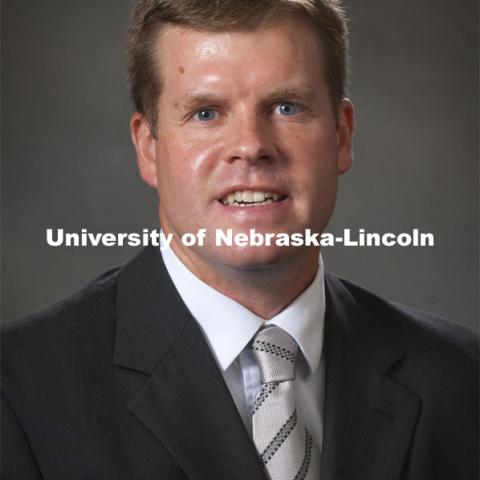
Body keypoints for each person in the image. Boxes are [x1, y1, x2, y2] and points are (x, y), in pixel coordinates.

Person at [2, 0, 478, 479]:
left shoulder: (463, 379)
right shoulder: (19, 390)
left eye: (287, 107)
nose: (251, 146)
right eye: (206, 112)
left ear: (342, 135)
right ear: (148, 148)